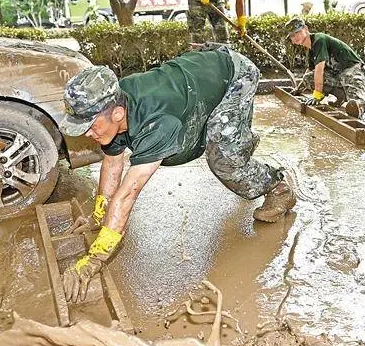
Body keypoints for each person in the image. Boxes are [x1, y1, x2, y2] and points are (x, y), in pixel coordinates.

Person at [60, 45, 296, 303]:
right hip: (198, 80)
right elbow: (112, 165)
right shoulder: (117, 108)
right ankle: (236, 139)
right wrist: (98, 216)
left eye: (90, 126)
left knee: (225, 162)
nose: (86, 135)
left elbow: (127, 194)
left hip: (234, 76)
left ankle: (278, 188)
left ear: (117, 113)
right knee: (220, 143)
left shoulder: (157, 122)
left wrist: (94, 260)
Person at [286, 18, 365, 118]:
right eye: (292, 36)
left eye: (297, 32)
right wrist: (298, 90)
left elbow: (319, 70)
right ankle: (342, 96)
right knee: (308, 78)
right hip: (338, 74)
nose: (295, 37)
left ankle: (360, 105)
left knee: (354, 101)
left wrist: (317, 95)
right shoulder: (311, 50)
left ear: (306, 29)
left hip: (353, 70)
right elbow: (311, 71)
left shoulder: (319, 40)